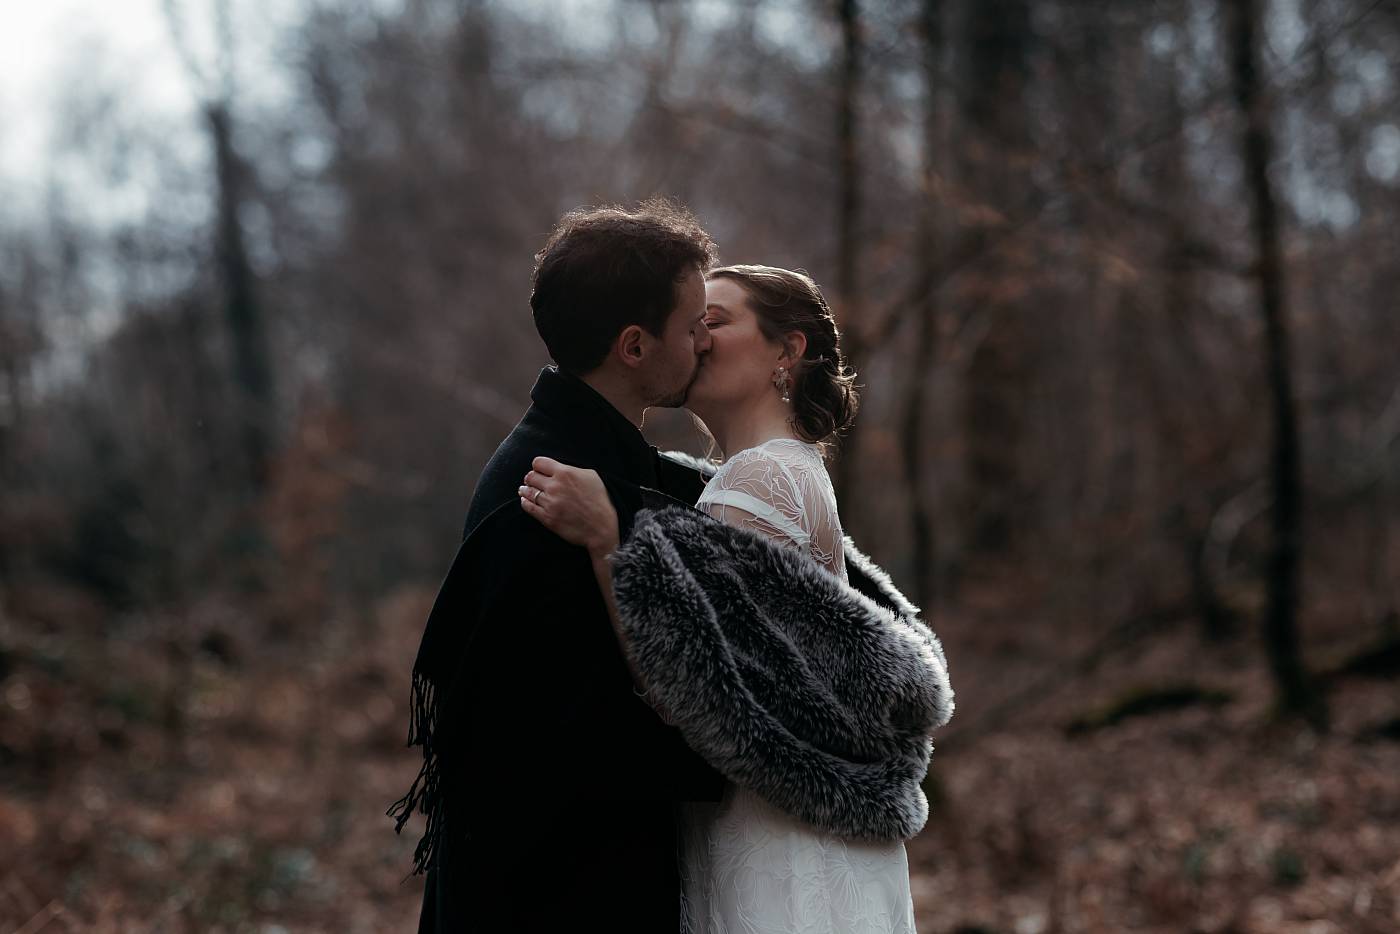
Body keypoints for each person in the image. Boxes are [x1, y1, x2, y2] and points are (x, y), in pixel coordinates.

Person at [520, 264, 926, 933]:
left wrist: (608, 542)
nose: (697, 341)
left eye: (715, 322)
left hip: (779, 845)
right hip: (787, 824)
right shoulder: (774, 470)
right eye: (691, 325)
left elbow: (696, 688)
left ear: (786, 352)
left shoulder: (762, 479)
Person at [388, 199, 731, 932]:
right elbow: (556, 735)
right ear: (634, 347)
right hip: (548, 895)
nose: (706, 340)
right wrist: (726, 744)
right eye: (694, 322)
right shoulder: (544, 490)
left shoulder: (606, 461)